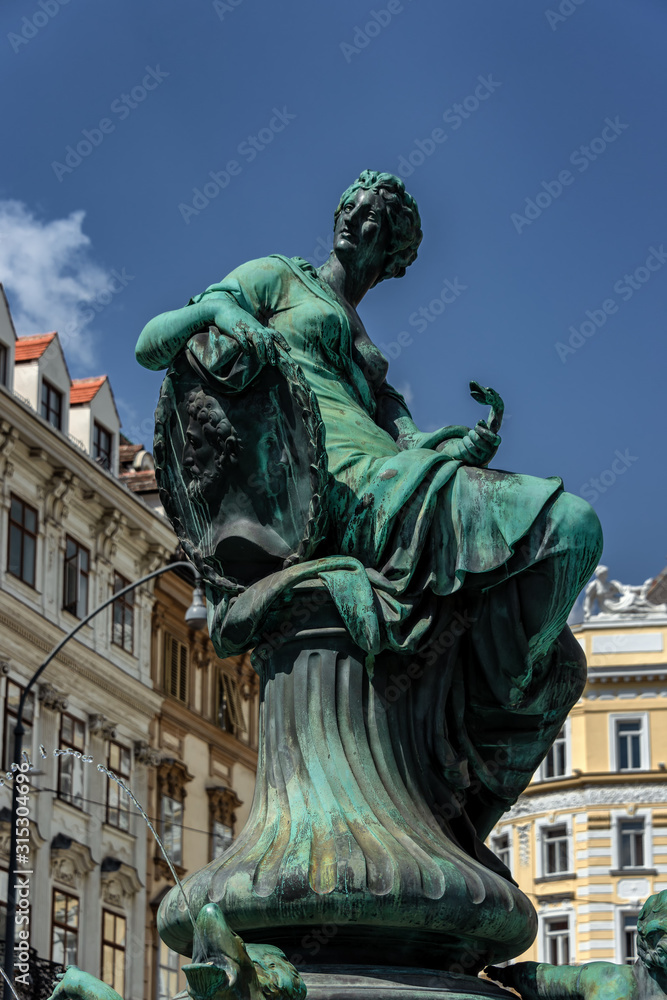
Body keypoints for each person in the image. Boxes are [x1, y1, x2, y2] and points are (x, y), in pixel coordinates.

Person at [138, 173, 603, 964]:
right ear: (343, 221)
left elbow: (410, 441)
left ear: (395, 258)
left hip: (385, 472)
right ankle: (446, 763)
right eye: (365, 218)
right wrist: (216, 311)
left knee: (558, 660)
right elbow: (157, 340)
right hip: (324, 485)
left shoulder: (367, 355)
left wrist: (459, 446)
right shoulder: (273, 278)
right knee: (568, 524)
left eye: (388, 234)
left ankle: (448, 796)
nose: (369, 237)